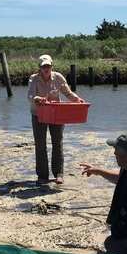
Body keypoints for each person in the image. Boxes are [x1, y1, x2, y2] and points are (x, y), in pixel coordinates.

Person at [27, 54, 84, 185]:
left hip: (56, 114)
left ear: (52, 66)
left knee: (57, 143)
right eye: (43, 66)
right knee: (40, 145)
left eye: (48, 66)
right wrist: (36, 99)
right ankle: (42, 176)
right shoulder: (33, 79)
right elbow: (30, 95)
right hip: (38, 114)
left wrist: (77, 100)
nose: (46, 68)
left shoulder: (58, 77)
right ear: (39, 68)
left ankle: (59, 174)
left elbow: (68, 92)